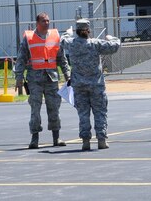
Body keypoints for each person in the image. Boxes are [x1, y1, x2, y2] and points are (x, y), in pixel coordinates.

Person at [60, 18, 121, 151]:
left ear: (77, 31)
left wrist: (68, 33)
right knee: (100, 112)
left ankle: (85, 141)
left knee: (83, 114)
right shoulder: (95, 44)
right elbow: (115, 45)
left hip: (79, 86)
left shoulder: (72, 43)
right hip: (96, 85)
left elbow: (62, 40)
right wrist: (111, 37)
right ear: (88, 30)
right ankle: (101, 140)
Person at [15, 12, 71, 149]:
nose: (46, 23)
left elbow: (62, 59)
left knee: (54, 108)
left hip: (51, 79)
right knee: (35, 109)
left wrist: (68, 75)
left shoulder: (55, 36)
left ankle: (56, 138)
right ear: (37, 23)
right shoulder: (29, 38)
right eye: (43, 21)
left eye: (48, 21)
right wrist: (19, 77)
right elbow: (21, 58)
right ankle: (35, 138)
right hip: (35, 80)